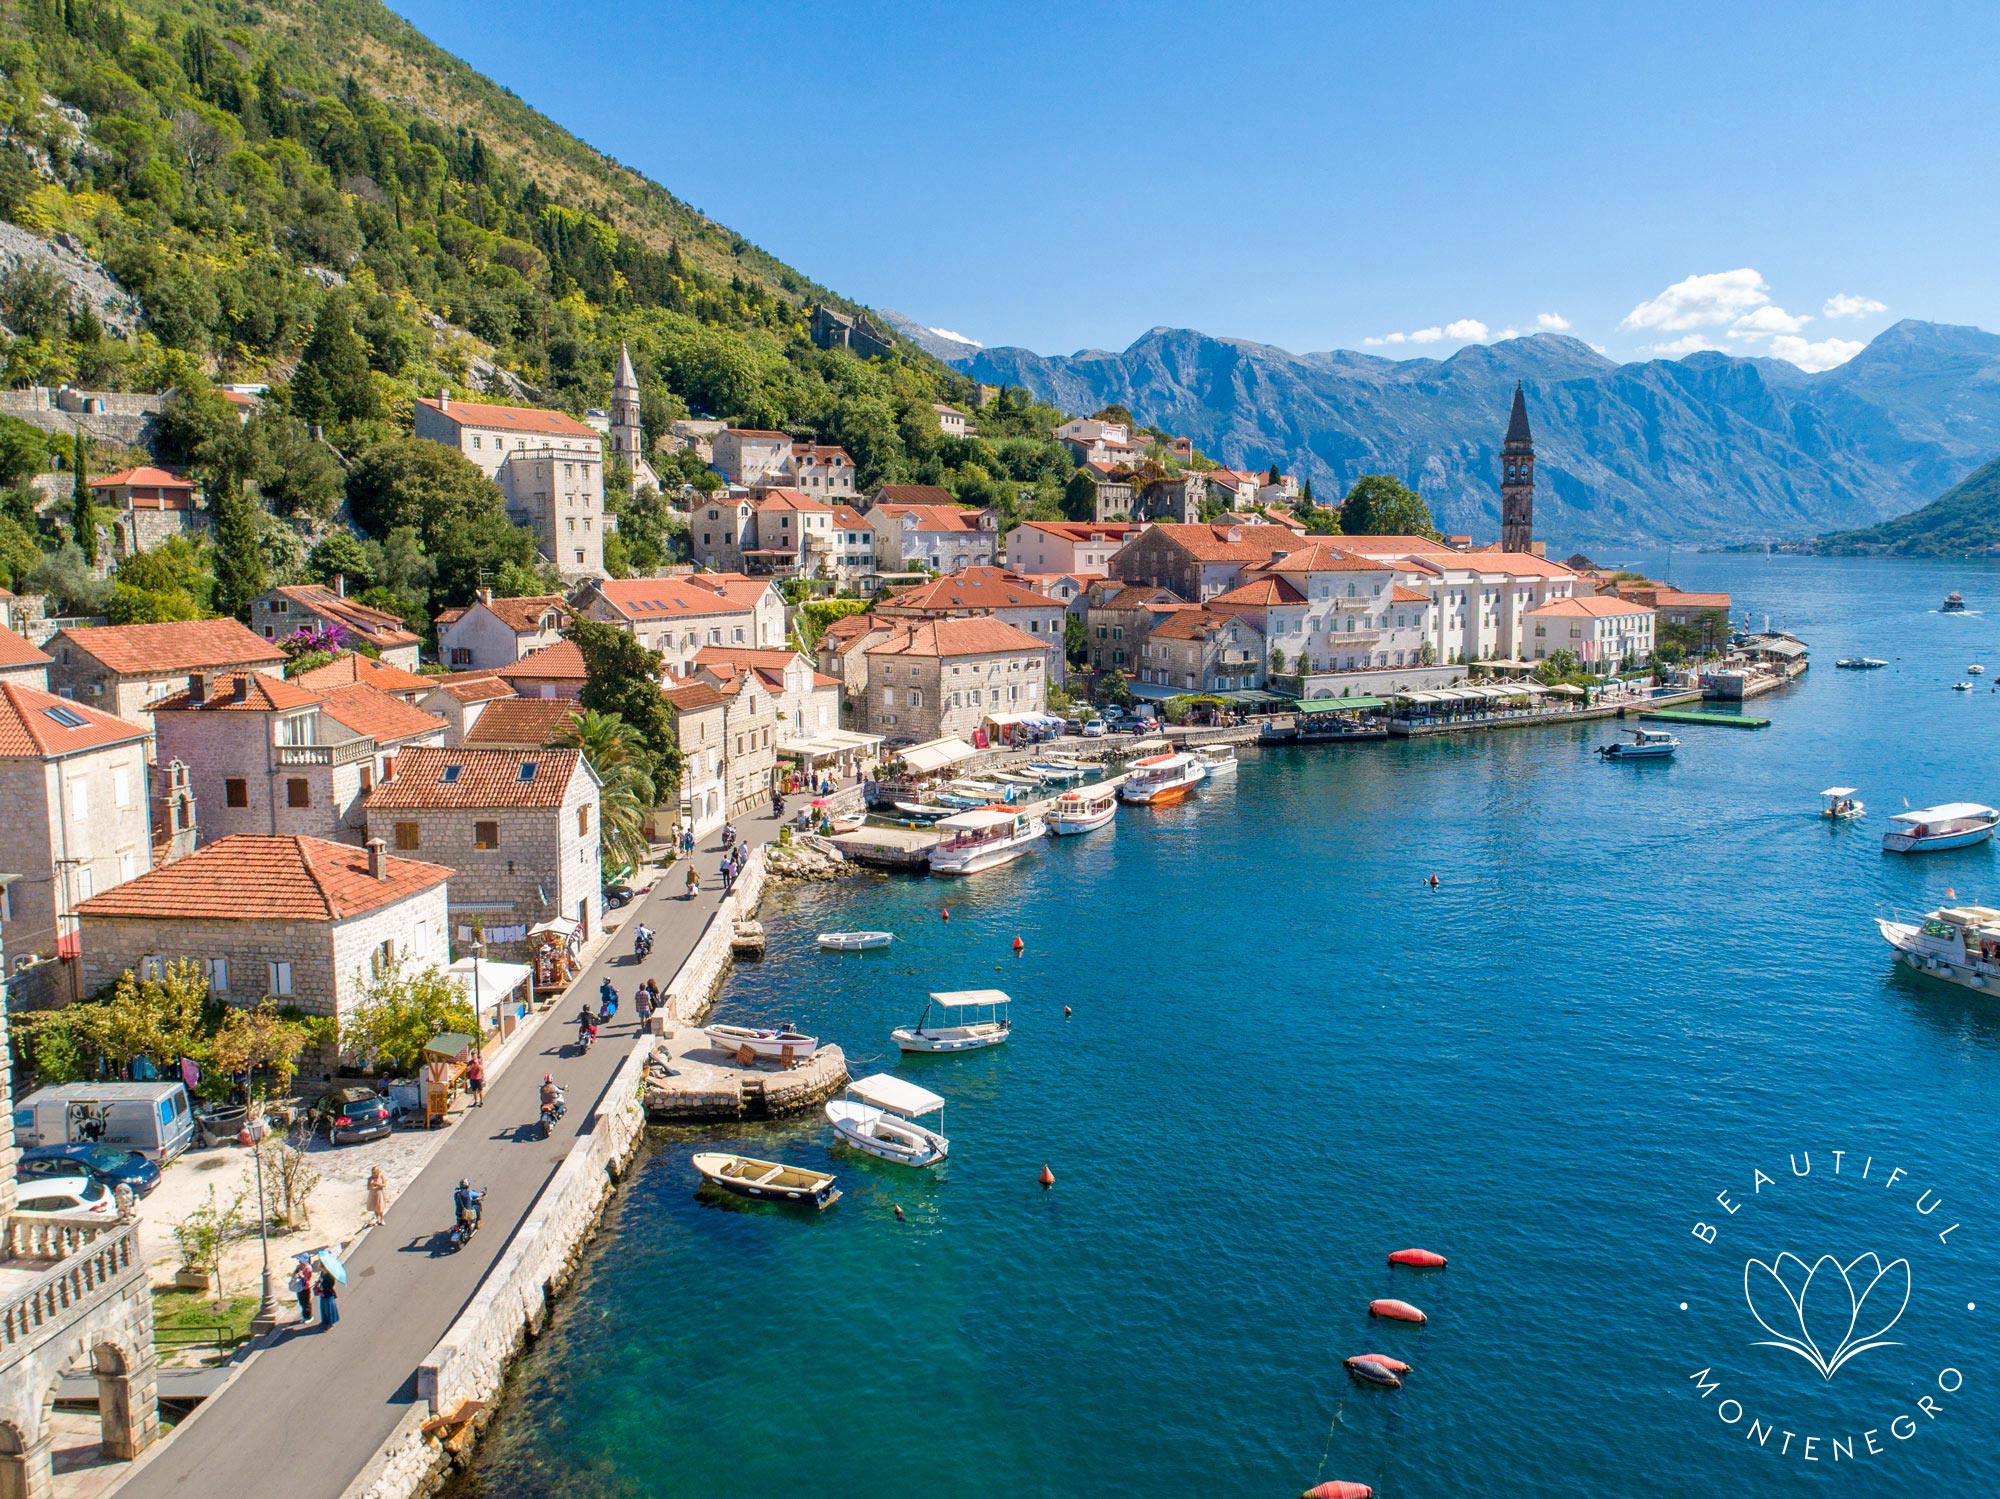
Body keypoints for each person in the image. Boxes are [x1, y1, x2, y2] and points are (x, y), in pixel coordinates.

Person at [289, 1258, 314, 1323]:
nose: (300, 1263)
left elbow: (307, 1279)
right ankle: (304, 1315)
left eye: (301, 1262)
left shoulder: (308, 1269)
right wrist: (297, 1271)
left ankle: (309, 1316)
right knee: (302, 1302)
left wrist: (301, 1276)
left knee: (306, 1303)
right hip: (300, 1287)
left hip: (305, 1288)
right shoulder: (300, 1267)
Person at [315, 1262, 339, 1329]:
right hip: (323, 1293)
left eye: (320, 1267)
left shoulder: (329, 1276)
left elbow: (330, 1285)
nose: (319, 1268)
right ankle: (325, 1321)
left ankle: (331, 1323)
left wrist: (322, 1283)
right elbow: (320, 1281)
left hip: (328, 1294)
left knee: (329, 1310)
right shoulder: (322, 1273)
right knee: (323, 1308)